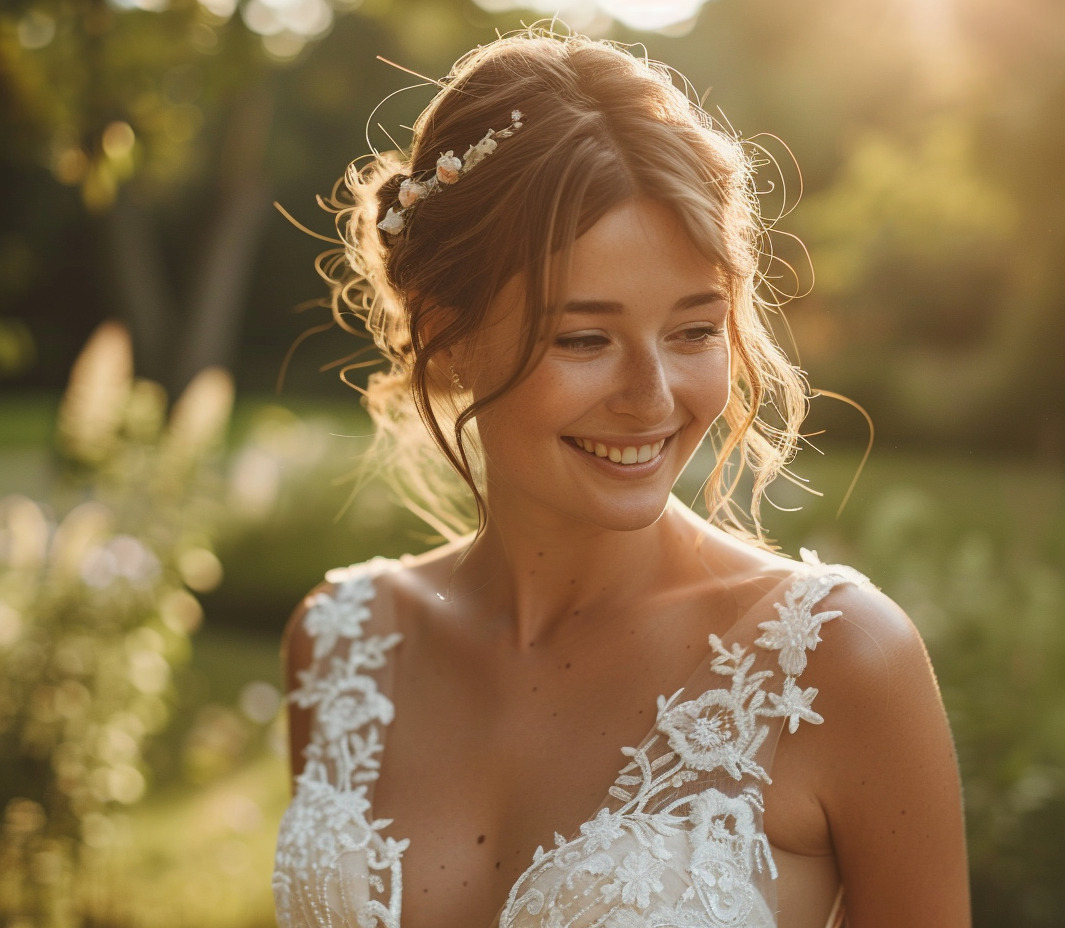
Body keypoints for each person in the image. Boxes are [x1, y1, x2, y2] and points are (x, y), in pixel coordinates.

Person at [272, 27, 969, 928]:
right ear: (446, 337)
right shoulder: (338, 647)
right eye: (585, 338)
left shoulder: (839, 663)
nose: (652, 398)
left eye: (692, 332)